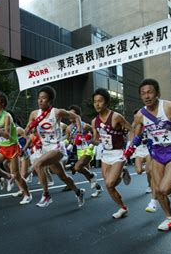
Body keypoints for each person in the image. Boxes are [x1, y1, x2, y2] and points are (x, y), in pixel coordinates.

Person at [129, 78, 171, 231]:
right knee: (158, 190)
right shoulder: (140, 115)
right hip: (157, 152)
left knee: (164, 190)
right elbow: (136, 133)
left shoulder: (169, 106)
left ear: (157, 93)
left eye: (150, 92)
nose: (146, 96)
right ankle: (170, 218)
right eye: (143, 94)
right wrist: (131, 147)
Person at [25, 85, 85, 208]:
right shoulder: (34, 114)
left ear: (50, 100)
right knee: (62, 176)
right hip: (45, 149)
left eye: (44, 98)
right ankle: (78, 192)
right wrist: (28, 129)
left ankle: (46, 196)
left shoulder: (57, 112)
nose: (40, 100)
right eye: (39, 98)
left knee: (37, 164)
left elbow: (77, 117)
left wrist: (79, 133)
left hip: (57, 148)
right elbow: (27, 131)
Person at [91, 88, 133, 219]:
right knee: (109, 186)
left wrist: (130, 147)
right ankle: (123, 208)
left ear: (106, 102)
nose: (97, 104)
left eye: (100, 101)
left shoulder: (116, 117)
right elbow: (96, 139)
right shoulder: (94, 121)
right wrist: (89, 140)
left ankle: (122, 170)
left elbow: (132, 130)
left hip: (118, 153)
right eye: (95, 102)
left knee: (110, 183)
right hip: (106, 155)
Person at [0, 91, 32, 205]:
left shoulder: (7, 116)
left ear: (2, 103)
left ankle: (27, 195)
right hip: (2, 148)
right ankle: (7, 177)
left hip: (12, 148)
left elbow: (6, 134)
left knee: (17, 175)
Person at [65, 105, 103, 198]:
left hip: (87, 150)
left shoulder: (84, 125)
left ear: (77, 115)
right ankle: (98, 188)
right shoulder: (68, 128)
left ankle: (93, 177)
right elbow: (68, 141)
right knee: (87, 174)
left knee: (78, 168)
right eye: (69, 114)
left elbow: (95, 132)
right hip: (79, 152)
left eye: (72, 114)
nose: (70, 116)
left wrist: (93, 141)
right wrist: (68, 143)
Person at [131, 109, 158, 213]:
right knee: (138, 171)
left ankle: (149, 185)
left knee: (148, 171)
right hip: (139, 149)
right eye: (135, 117)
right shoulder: (135, 125)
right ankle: (148, 176)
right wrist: (131, 146)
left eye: (137, 116)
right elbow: (132, 136)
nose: (136, 118)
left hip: (148, 149)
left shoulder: (148, 123)